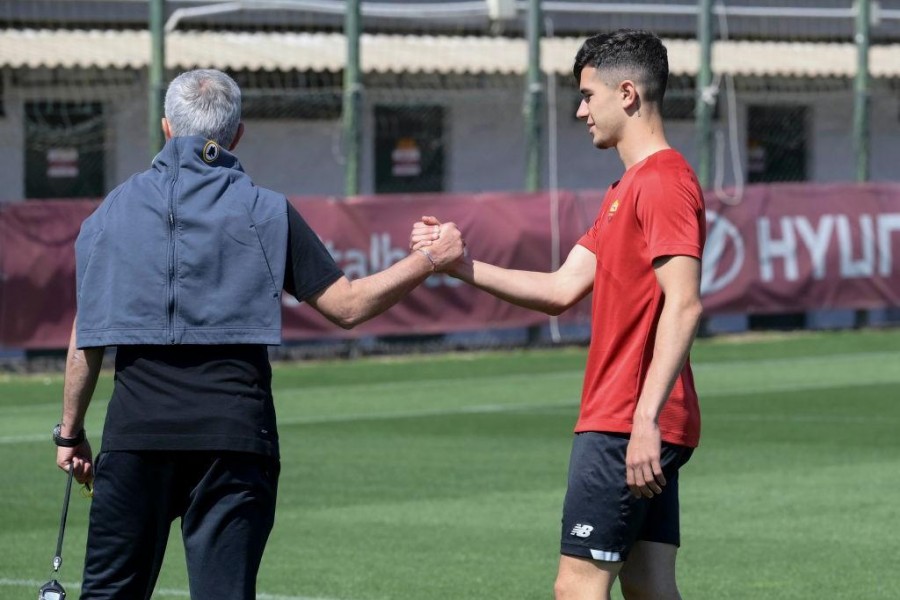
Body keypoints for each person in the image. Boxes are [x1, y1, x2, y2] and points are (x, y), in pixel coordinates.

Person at [54, 68, 464, 599]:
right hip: (235, 437)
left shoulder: (111, 211)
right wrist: (429, 259)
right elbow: (348, 306)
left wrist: (70, 432)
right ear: (237, 134)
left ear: (165, 128)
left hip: (137, 437)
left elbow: (86, 336)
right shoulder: (266, 208)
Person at [411, 29, 705, 600]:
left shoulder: (664, 182)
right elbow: (559, 287)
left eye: (587, 95)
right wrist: (460, 265)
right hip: (632, 417)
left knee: (576, 589)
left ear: (626, 94)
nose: (580, 110)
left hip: (628, 420)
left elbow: (685, 302)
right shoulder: (628, 187)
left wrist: (643, 421)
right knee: (648, 586)